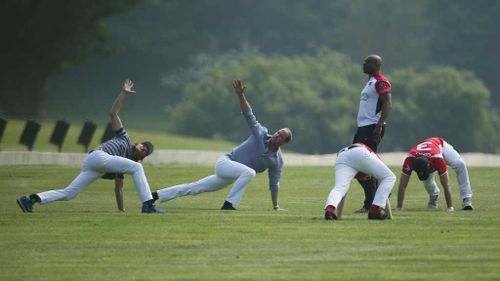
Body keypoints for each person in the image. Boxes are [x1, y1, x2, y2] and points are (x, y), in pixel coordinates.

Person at [16, 79, 165, 214]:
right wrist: (123, 94)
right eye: (143, 146)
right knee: (137, 168)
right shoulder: (124, 138)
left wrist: (122, 211)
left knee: (69, 194)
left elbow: (118, 189)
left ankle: (30, 200)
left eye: (145, 151)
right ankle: (148, 205)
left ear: (142, 157)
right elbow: (113, 114)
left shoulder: (123, 166)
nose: (143, 149)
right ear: (137, 143)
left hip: (96, 165)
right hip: (99, 157)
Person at [151, 79, 292, 211]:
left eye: (281, 136)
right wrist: (240, 95)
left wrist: (276, 207)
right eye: (278, 132)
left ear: (284, 143)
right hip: (225, 162)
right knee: (249, 172)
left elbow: (274, 185)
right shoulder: (260, 133)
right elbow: (249, 115)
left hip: (232, 175)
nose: (277, 135)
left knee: (195, 188)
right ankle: (229, 205)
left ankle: (155, 195)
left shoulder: (277, 161)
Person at [352, 54, 392, 214]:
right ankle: (380, 191)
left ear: (376, 64)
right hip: (363, 127)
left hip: (372, 128)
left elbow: (388, 105)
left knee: (362, 164)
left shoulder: (380, 81)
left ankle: (371, 203)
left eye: (367, 62)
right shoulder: (370, 81)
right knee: (357, 163)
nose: (364, 63)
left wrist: (379, 126)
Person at [396, 137, 473, 211]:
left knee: (460, 164)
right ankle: (434, 195)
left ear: (429, 165)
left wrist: (450, 207)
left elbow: (446, 184)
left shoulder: (437, 159)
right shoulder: (409, 159)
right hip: (428, 153)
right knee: (427, 181)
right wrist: (399, 207)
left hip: (440, 145)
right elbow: (402, 185)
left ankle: (466, 198)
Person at [324, 143, 396, 220]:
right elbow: (383, 193)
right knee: (389, 177)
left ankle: (329, 210)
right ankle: (375, 211)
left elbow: (343, 194)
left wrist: (339, 216)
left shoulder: (358, 168)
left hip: (342, 155)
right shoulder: (374, 161)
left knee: (340, 187)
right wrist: (389, 216)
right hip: (359, 152)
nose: (366, 180)